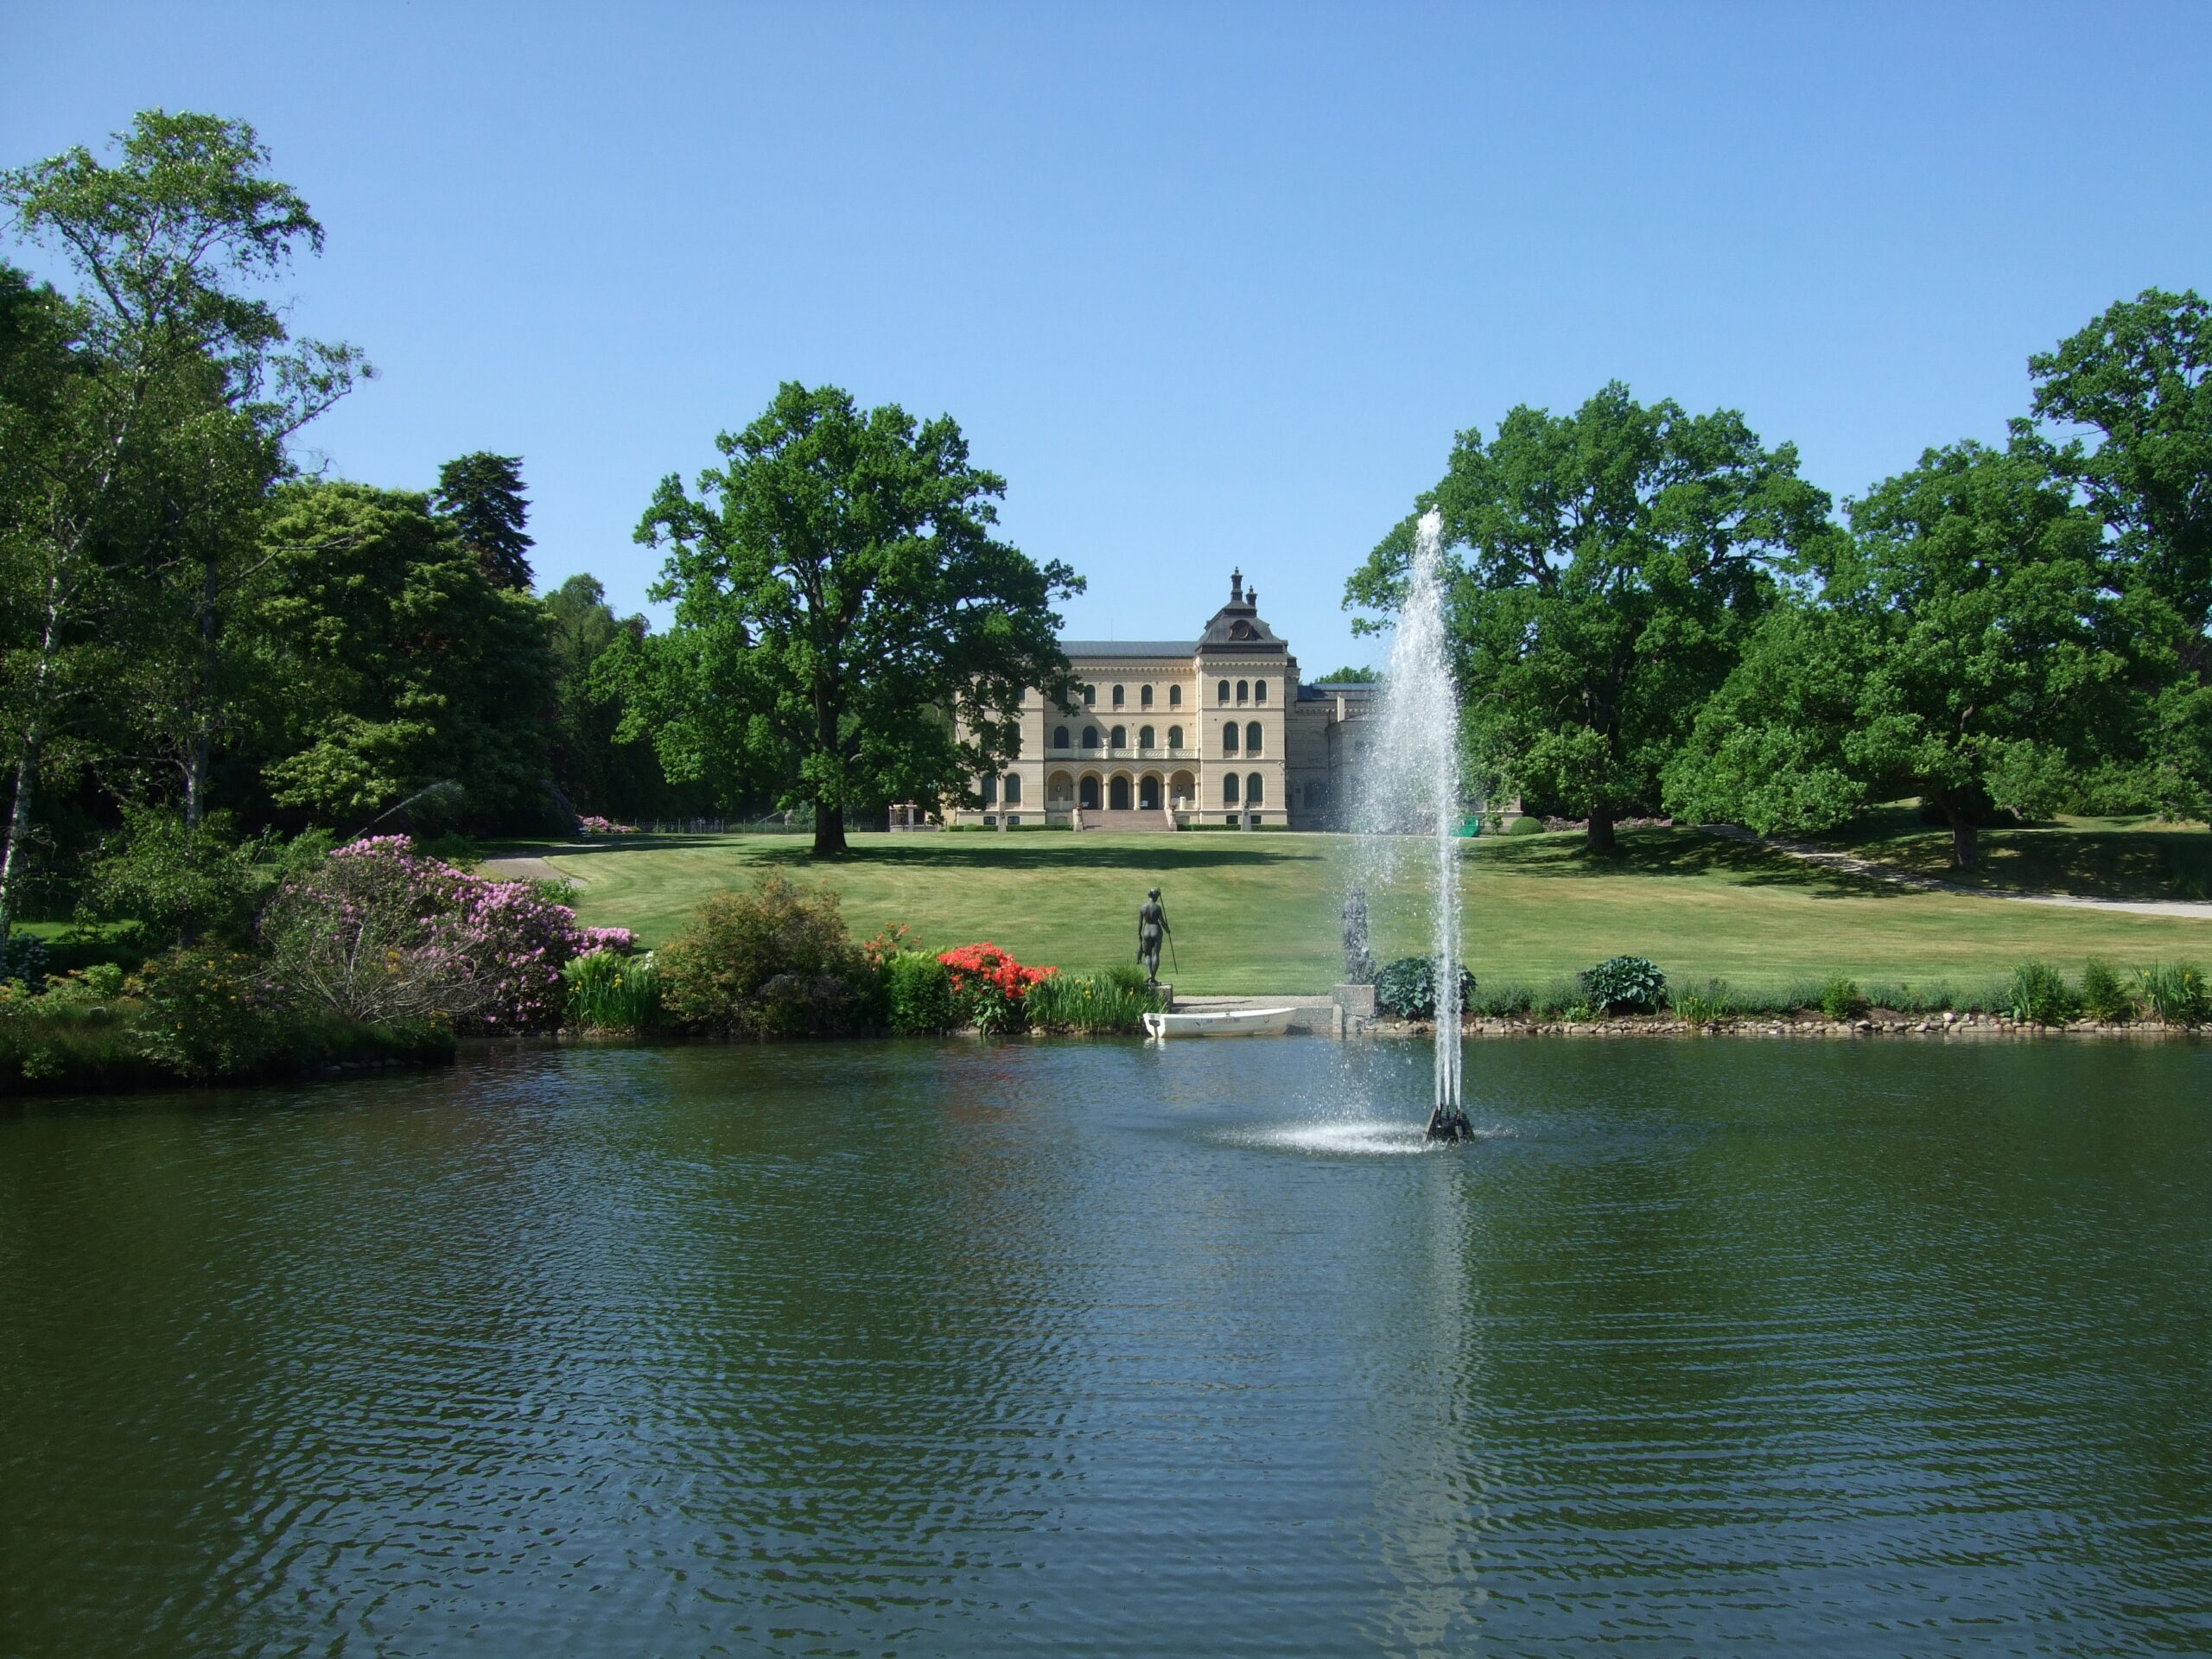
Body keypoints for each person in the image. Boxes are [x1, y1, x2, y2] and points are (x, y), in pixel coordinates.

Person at [1137, 887, 1171, 985]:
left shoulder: (1142, 907)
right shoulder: (1157, 907)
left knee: (1147, 954)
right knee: (1155, 954)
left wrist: (1139, 934)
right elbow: (1162, 922)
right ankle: (1153, 977)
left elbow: (1140, 924)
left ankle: (1149, 974)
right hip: (1156, 930)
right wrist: (1167, 930)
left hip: (1146, 930)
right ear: (1155, 896)